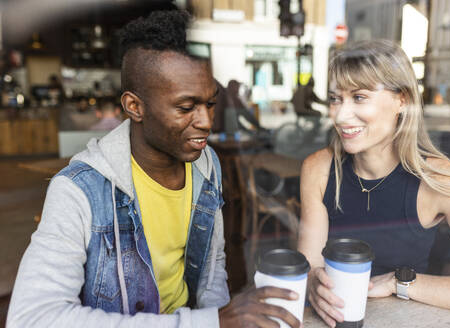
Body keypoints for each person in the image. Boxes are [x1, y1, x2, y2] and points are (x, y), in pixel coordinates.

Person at [7, 9, 300, 328]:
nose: (205, 122)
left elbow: (211, 271)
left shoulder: (206, 164)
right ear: (135, 107)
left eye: (210, 103)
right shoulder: (78, 191)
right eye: (186, 108)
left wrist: (219, 319)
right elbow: (32, 318)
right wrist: (210, 322)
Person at [297, 40, 450, 328]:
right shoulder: (318, 169)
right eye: (335, 99)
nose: (339, 114)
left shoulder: (438, 179)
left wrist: (400, 283)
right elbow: (308, 266)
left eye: (359, 97)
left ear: (402, 100)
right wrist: (313, 280)